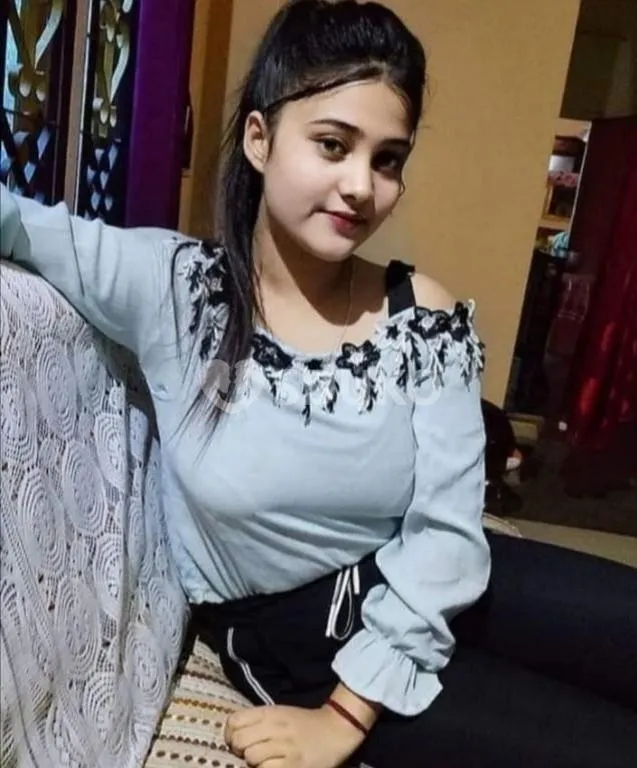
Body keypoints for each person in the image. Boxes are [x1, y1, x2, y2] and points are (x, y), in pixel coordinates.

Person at [1, 1, 636, 766]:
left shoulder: (423, 316)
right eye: (332, 145)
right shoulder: (174, 289)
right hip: (301, 632)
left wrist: (363, 688)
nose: (361, 186)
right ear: (260, 138)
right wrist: (340, 713)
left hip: (423, 583)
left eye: (387, 159)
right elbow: (21, 225)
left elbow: (446, 530)